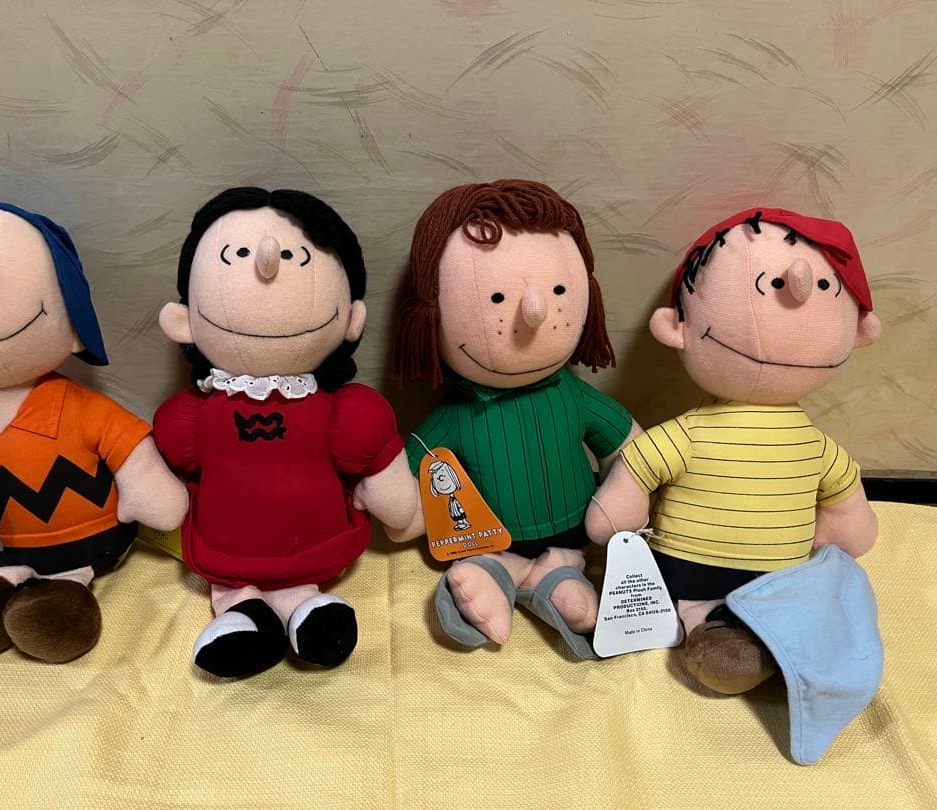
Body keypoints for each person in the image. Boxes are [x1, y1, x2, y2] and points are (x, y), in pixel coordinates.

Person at [586, 208, 882, 695]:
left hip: (776, 581)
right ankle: (713, 626)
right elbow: (639, 467)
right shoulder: (695, 433)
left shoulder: (809, 446)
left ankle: (755, 633)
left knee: (789, 618)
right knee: (722, 625)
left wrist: (843, 525)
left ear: (859, 334)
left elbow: (845, 504)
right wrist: (621, 509)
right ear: (676, 328)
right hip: (691, 572)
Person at [0, 201, 187, 663]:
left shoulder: (78, 407)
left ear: (73, 327)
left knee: (58, 606)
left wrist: (147, 492)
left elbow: (128, 447)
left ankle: (69, 589)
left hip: (92, 544)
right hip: (0, 546)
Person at [153, 187, 420, 679]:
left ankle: (304, 605)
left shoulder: (340, 410)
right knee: (236, 589)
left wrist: (400, 507)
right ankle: (243, 611)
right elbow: (170, 456)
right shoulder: (195, 415)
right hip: (227, 553)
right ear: (183, 321)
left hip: (316, 550)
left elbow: (379, 464)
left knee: (307, 598)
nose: (267, 263)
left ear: (352, 319)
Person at [389, 179, 640, 656]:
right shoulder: (456, 413)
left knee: (571, 586)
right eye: (497, 298)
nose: (536, 312)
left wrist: (627, 491)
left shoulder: (573, 396)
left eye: (559, 289)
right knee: (484, 566)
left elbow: (631, 448)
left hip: (572, 534)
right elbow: (406, 479)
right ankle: (494, 572)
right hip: (486, 537)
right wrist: (396, 506)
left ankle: (558, 574)